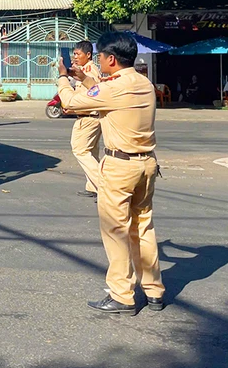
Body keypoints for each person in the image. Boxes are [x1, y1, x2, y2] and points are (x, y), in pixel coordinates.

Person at [57, 31, 165, 315]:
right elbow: (104, 90)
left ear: (112, 59)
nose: (99, 61)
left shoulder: (113, 88)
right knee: (143, 227)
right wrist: (85, 79)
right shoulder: (143, 83)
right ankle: (153, 290)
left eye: (101, 56)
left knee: (116, 231)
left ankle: (122, 295)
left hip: (120, 167)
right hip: (147, 164)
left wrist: (63, 78)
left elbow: (69, 103)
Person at [70, 41, 102, 200]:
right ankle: (92, 187)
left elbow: (93, 92)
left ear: (88, 55)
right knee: (91, 152)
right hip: (90, 116)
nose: (75, 57)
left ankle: (103, 187)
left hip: (89, 117)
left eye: (78, 54)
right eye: (74, 54)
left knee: (80, 150)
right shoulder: (83, 70)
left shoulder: (89, 70)